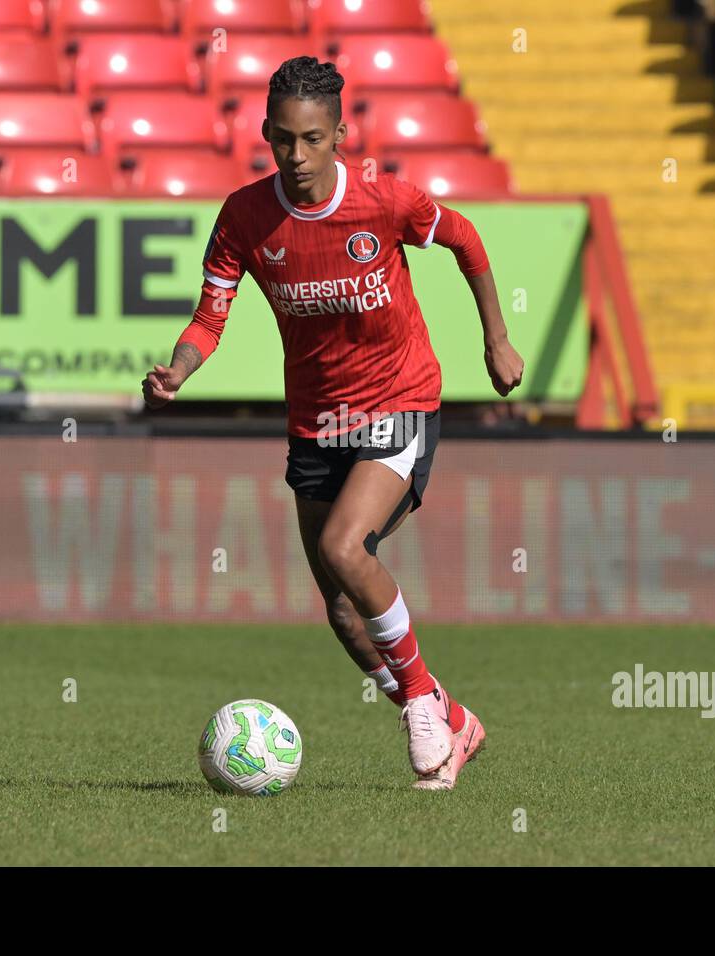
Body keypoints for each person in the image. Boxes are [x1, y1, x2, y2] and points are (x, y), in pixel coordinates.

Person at [144, 57, 524, 790]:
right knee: (345, 616)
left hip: (399, 399)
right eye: (283, 139)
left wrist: (495, 338)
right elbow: (210, 315)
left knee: (345, 545)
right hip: (317, 422)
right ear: (265, 134)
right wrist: (179, 369)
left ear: (340, 135)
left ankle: (417, 699)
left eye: (313, 139)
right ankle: (448, 717)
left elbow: (465, 239)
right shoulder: (245, 217)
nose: (297, 156)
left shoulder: (384, 202)